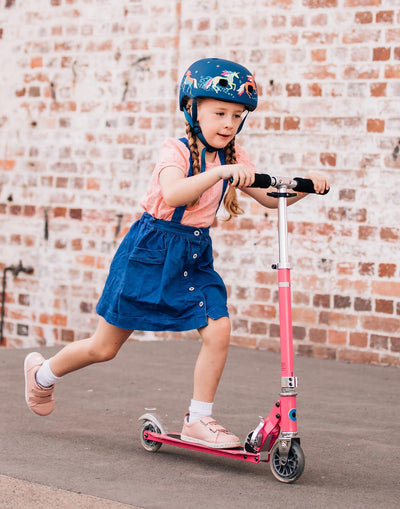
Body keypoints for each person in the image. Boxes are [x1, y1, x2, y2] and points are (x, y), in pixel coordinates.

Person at [24, 58, 329, 449]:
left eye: (237, 116)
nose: (228, 124)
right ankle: (42, 375)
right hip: (150, 250)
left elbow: (270, 198)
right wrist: (218, 174)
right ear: (192, 109)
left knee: (218, 327)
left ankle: (198, 419)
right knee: (104, 347)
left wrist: (305, 186)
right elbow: (173, 193)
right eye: (219, 113)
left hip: (194, 254)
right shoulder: (177, 151)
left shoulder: (233, 157)